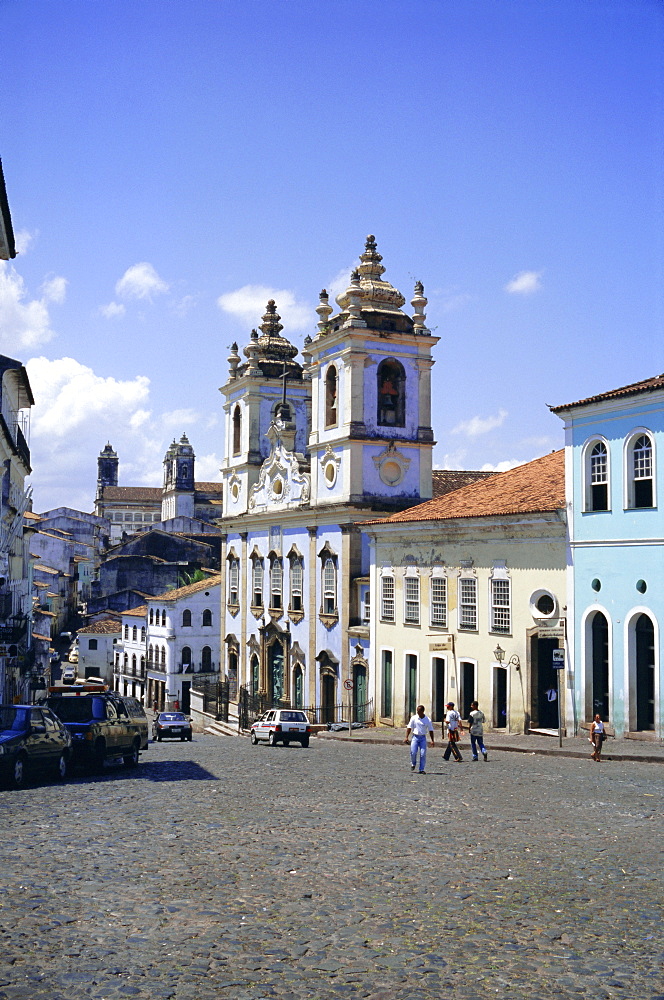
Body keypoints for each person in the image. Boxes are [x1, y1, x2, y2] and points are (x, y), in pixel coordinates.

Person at [404, 705, 435, 773]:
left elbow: (431, 730)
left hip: (423, 738)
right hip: (415, 737)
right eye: (417, 710)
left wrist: (432, 740)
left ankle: (421, 769)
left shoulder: (427, 720)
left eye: (419, 711)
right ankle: (413, 763)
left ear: (422, 711)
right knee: (413, 752)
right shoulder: (414, 718)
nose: (417, 712)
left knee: (423, 753)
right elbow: (409, 727)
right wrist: (406, 737)